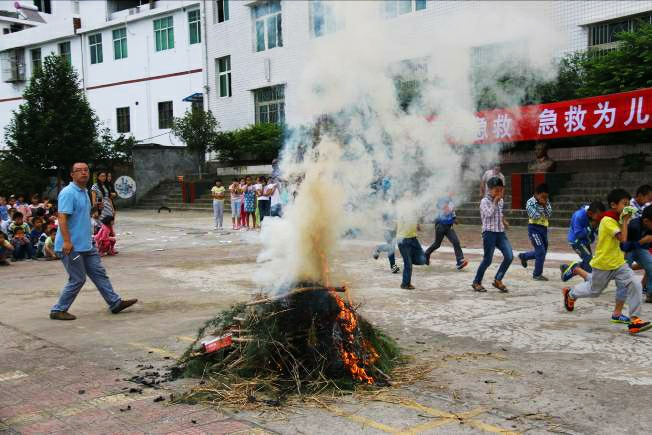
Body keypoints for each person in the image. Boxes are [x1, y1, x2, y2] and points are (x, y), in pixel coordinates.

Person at [50, 162, 137, 321]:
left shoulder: (84, 192)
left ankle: (115, 303)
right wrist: (67, 242)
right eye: (79, 171)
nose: (83, 173)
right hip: (72, 249)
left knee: (99, 273)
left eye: (86, 170)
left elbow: (82, 215)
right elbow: (62, 218)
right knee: (78, 278)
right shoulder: (68, 193)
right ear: (72, 174)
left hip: (86, 246)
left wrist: (95, 209)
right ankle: (58, 309)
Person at [562, 189, 651, 334]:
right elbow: (623, 239)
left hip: (618, 263)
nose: (627, 206)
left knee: (635, 284)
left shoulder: (619, 218)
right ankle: (571, 293)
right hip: (603, 264)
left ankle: (635, 320)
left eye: (628, 203)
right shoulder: (608, 220)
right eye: (624, 203)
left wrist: (626, 219)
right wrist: (627, 220)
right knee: (594, 291)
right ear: (614, 205)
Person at [472, 177, 513, 293]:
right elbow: (488, 214)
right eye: (496, 190)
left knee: (509, 256)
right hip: (489, 233)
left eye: (501, 190)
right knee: (488, 260)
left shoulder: (501, 201)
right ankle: (476, 282)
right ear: (489, 189)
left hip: (500, 233)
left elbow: (499, 214)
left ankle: (498, 280)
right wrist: (494, 202)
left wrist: (504, 221)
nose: (499, 193)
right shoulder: (484, 201)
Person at [560, 201, 605, 280]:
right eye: (599, 216)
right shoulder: (579, 216)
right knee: (589, 260)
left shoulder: (593, 216)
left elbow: (597, 230)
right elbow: (579, 234)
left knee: (588, 261)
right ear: (590, 213)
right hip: (576, 241)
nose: (600, 219)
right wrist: (591, 227)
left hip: (585, 242)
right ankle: (588, 281)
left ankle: (568, 269)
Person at [518, 183, 552, 281]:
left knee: (542, 252)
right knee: (540, 251)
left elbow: (549, 214)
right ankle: (537, 274)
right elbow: (535, 215)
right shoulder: (530, 202)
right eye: (543, 196)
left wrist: (544, 205)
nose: (545, 199)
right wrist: (542, 205)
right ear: (536, 194)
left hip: (544, 229)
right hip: (534, 229)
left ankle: (524, 256)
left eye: (546, 197)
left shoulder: (546, 201)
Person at [424, 194, 468, 270]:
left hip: (449, 226)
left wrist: (454, 218)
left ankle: (460, 261)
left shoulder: (451, 201)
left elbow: (452, 211)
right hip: (440, 225)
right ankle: (426, 254)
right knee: (437, 244)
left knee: (456, 242)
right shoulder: (441, 198)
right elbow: (440, 209)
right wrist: (445, 208)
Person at [622, 206, 652, 303]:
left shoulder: (649, 226)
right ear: (646, 221)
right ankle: (623, 292)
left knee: (651, 266)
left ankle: (650, 293)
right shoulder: (634, 226)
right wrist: (642, 241)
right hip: (630, 249)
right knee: (626, 270)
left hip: (642, 249)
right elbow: (625, 247)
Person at [396, 205, 426, 290]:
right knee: (408, 264)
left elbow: (414, 222)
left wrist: (417, 225)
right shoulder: (403, 210)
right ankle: (405, 284)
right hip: (403, 240)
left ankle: (408, 259)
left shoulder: (413, 211)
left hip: (413, 239)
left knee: (423, 259)